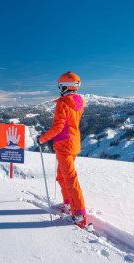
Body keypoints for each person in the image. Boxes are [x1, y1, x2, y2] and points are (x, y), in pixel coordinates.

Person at [38, 72, 88, 229]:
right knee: (62, 176)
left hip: (65, 145)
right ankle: (68, 204)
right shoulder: (79, 102)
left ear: (64, 86)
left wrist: (42, 138)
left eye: (60, 86)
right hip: (73, 143)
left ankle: (79, 216)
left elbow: (58, 127)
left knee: (70, 178)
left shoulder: (63, 103)